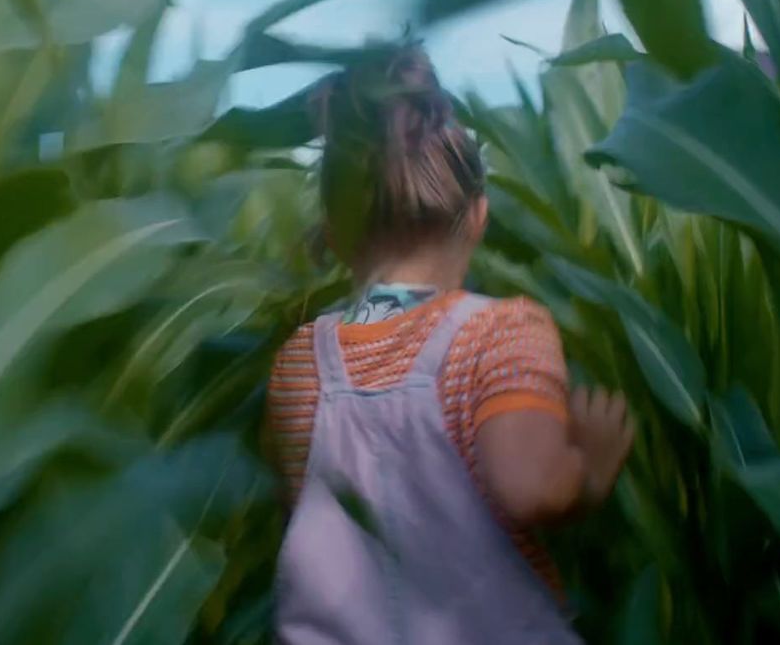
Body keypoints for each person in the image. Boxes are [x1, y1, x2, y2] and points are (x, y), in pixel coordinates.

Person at [267, 40, 635, 645]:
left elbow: (300, 512)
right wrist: (588, 472)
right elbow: (531, 487)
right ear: (479, 215)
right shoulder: (501, 333)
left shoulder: (301, 362)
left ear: (332, 233)